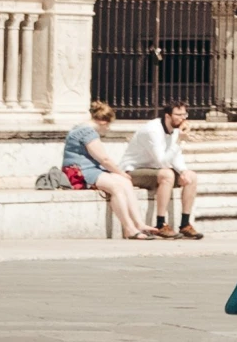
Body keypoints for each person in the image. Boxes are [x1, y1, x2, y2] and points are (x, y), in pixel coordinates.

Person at [62, 100, 157, 238]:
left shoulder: (80, 128)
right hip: (80, 172)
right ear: (103, 122)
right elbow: (104, 159)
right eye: (108, 125)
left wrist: (121, 176)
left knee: (125, 182)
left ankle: (139, 223)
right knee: (116, 187)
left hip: (88, 169)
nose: (108, 129)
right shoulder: (88, 132)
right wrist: (120, 172)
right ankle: (129, 228)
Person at [125, 102, 202, 239]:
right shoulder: (153, 130)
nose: (183, 118)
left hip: (156, 170)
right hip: (134, 171)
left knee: (191, 176)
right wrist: (179, 141)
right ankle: (160, 224)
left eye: (185, 114)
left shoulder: (176, 129)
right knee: (168, 174)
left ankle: (185, 224)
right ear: (167, 116)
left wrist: (183, 171)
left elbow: (175, 156)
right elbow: (163, 162)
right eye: (178, 115)